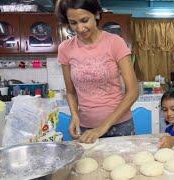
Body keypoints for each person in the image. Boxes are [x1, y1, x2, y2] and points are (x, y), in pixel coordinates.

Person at [55, 0, 138, 144]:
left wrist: (102, 127)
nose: (80, 28)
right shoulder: (65, 49)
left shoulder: (115, 42)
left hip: (120, 126)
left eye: (84, 20)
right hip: (87, 128)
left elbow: (133, 92)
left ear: (97, 14)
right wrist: (74, 116)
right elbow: (70, 92)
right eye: (73, 23)